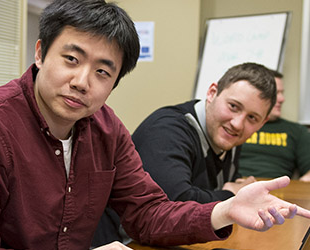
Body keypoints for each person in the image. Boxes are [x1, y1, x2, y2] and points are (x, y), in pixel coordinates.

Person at [0, 0, 310, 249]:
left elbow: (147, 213)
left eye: (102, 71)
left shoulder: (105, 128)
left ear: (114, 83)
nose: (82, 81)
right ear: (41, 53)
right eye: (71, 59)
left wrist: (225, 210)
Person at [92, 62, 277, 247]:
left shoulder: (229, 134)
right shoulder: (167, 130)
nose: (237, 123)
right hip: (125, 243)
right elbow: (171, 206)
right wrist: (230, 195)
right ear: (212, 93)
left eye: (252, 118)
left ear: (263, 122)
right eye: (233, 106)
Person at [237, 71, 310, 182]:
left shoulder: (297, 130)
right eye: (276, 93)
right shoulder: (238, 124)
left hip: (278, 190)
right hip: (239, 187)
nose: (282, 99)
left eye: (282, 93)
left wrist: (308, 180)